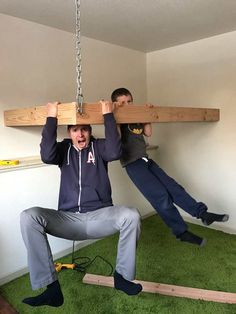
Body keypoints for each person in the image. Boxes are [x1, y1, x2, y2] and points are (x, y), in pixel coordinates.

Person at [20, 100, 142, 308]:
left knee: (131, 215)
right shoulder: (63, 149)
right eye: (75, 130)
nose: (81, 134)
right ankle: (51, 289)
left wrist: (108, 115)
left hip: (100, 216)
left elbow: (114, 152)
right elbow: (46, 155)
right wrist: (52, 117)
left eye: (84, 129)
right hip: (68, 220)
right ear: (69, 133)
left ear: (90, 130)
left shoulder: (99, 146)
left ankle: (121, 277)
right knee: (28, 216)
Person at [111, 88, 229, 247]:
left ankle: (203, 214)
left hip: (145, 160)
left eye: (130, 101)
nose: (128, 104)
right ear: (116, 104)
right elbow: (116, 139)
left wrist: (147, 114)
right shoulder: (118, 120)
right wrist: (115, 115)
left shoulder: (136, 116)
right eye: (123, 103)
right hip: (133, 164)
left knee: (174, 187)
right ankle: (181, 232)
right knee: (161, 196)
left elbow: (148, 132)